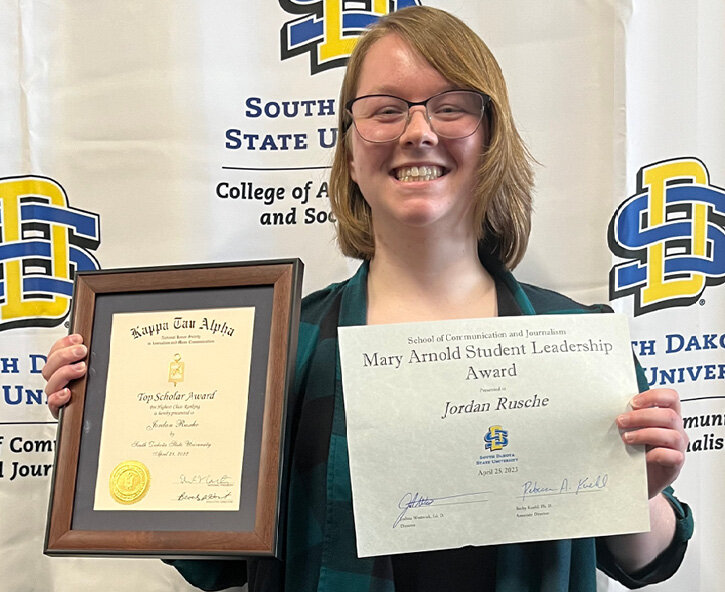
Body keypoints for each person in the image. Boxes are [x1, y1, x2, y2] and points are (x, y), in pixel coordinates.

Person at [43, 6, 692, 591]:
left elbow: (643, 559)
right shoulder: (277, 344)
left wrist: (637, 493)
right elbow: (214, 562)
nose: (417, 131)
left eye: (450, 106)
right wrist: (112, 423)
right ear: (350, 152)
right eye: (385, 109)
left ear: (490, 136)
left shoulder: (574, 341)